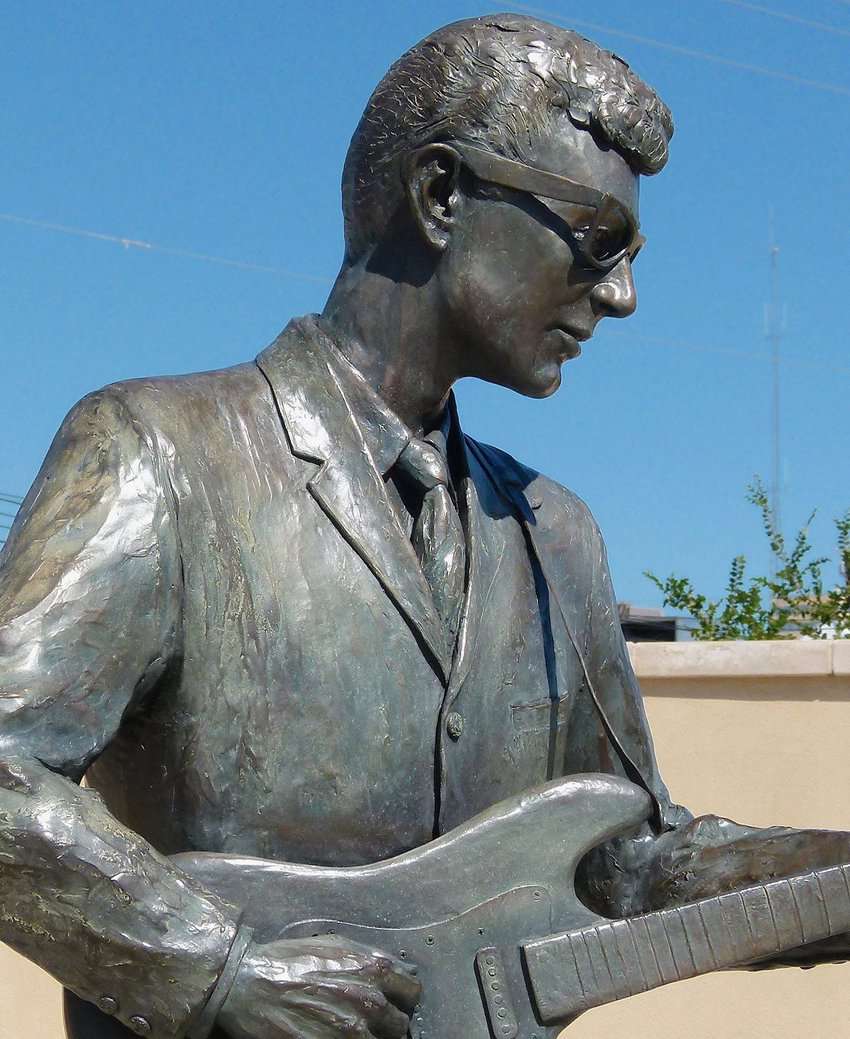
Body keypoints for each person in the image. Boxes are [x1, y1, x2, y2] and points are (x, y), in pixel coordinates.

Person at [1, 14, 848, 1039]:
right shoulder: (159, 453)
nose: (621, 296)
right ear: (442, 195)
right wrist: (214, 972)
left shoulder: (557, 536)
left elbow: (629, 860)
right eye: (596, 241)